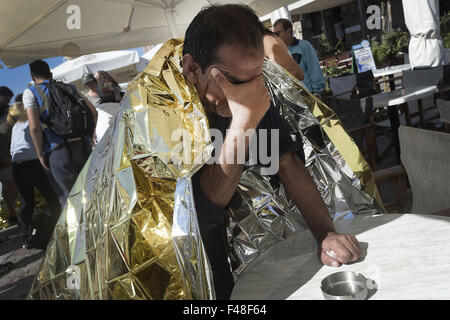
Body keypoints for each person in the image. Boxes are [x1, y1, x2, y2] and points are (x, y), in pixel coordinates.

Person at [182, 4, 361, 299]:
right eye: (236, 82)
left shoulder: (249, 90)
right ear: (192, 68)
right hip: (199, 280)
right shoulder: (164, 114)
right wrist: (244, 122)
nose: (249, 93)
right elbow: (201, 212)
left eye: (257, 78)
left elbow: (287, 162)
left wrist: (324, 232)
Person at [23, 60, 98, 207]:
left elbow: (34, 127)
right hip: (82, 144)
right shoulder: (69, 88)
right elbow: (93, 112)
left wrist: (39, 154)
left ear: (32, 77)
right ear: (50, 74)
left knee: (69, 199)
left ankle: (79, 229)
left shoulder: (31, 92)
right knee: (91, 189)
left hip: (57, 148)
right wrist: (91, 136)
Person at [9, 101, 61, 249]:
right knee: (51, 197)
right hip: (32, 164)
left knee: (27, 202)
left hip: (17, 167)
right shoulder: (31, 124)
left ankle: (26, 236)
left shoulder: (15, 126)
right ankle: (51, 230)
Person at [273, 18, 326, 94]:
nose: (276, 37)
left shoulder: (303, 46)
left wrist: (317, 92)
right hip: (292, 98)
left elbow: (314, 69)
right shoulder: (279, 52)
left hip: (309, 94)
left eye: (278, 33)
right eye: (275, 34)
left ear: (288, 31)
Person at [0, 86, 19, 225]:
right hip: (3, 157)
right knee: (12, 187)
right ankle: (13, 213)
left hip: (6, 154)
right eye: (6, 99)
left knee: (9, 187)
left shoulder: (6, 110)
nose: (8, 102)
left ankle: (12, 213)